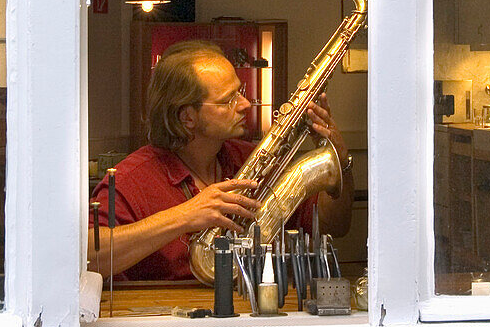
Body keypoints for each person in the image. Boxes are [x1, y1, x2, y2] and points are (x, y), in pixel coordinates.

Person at [88, 40, 353, 280]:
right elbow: (89, 256)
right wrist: (185, 216)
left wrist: (341, 160)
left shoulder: (250, 157)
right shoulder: (131, 177)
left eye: (241, 91)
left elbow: (336, 227)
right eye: (228, 100)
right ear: (187, 117)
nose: (245, 104)